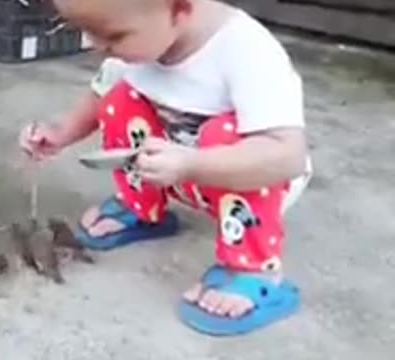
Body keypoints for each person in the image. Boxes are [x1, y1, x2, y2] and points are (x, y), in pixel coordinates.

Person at [19, 0, 312, 336]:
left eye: (112, 35)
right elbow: (100, 95)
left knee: (226, 135)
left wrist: (192, 163)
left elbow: (285, 156)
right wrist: (61, 134)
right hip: (174, 168)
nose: (97, 47)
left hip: (253, 183)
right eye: (86, 32)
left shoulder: (248, 53)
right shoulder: (138, 41)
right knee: (119, 98)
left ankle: (256, 273)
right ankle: (142, 209)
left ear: (180, 10)